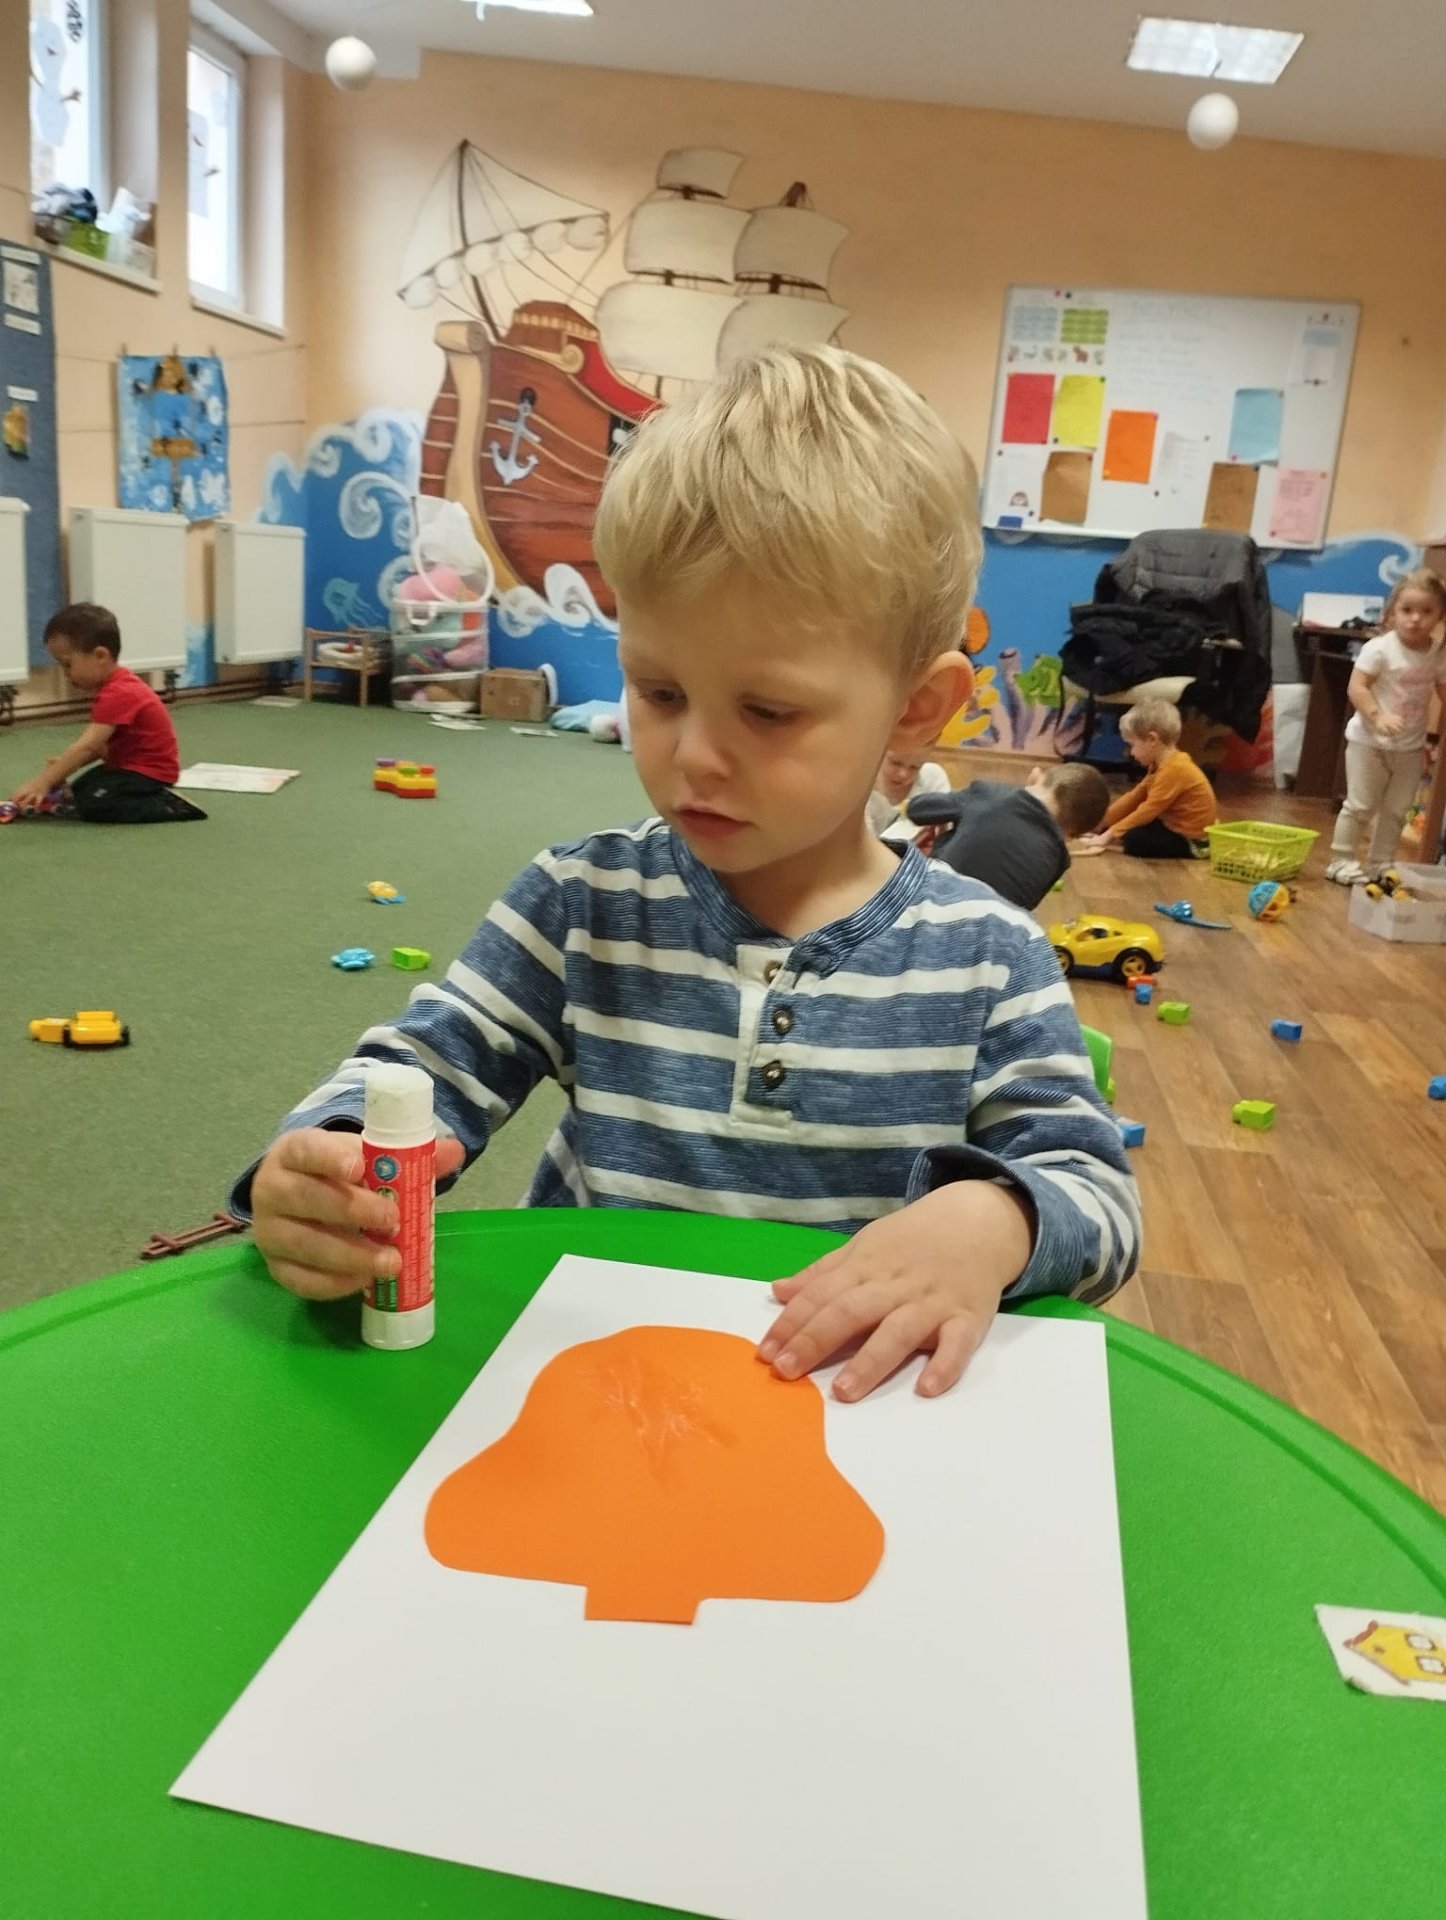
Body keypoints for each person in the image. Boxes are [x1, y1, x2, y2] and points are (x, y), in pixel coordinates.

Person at [238, 345, 1139, 1405]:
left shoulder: (988, 958)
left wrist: (995, 1219)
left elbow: (1097, 1199)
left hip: (842, 1418)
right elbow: (421, 1068)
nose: (695, 756)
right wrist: (333, 1155)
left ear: (914, 710)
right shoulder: (580, 903)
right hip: (593, 1396)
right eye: (659, 692)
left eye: (767, 711)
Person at [7, 604, 206, 823]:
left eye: (68, 665)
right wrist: (63, 768)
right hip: (126, 766)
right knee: (81, 790)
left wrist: (42, 782)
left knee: (95, 803)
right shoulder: (112, 687)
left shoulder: (119, 692)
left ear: (100, 655)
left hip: (148, 773)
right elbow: (99, 748)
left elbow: (87, 746)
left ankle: (168, 805)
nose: (66, 674)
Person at [1325, 567, 1446, 885]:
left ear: (1440, 615)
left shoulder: (1437, 654)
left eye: (1426, 611)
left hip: (1410, 747)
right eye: (1407, 610)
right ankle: (1340, 861)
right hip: (1369, 742)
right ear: (1393, 612)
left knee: (1397, 809)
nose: (1416, 619)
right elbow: (1357, 687)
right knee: (1360, 805)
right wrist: (1378, 717)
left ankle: (1380, 864)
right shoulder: (1379, 648)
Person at [905, 762, 1110, 910]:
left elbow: (917, 810)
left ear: (1036, 776)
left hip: (925, 908)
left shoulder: (989, 793)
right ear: (1071, 837)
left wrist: (946, 833)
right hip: (988, 944)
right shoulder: (1058, 860)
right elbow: (1024, 907)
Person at [1075, 697, 1216, 859]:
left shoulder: (1174, 769)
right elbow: (1135, 797)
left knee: (1135, 839)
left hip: (1192, 841)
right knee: (1129, 826)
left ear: (1152, 739)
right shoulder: (1161, 764)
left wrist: (1108, 836)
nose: (1130, 752)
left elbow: (1148, 810)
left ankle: (1114, 842)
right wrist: (1101, 823)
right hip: (1172, 826)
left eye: (1132, 745)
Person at [866, 746, 950, 843]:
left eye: (915, 767)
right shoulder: (862, 786)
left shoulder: (932, 778)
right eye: (896, 763)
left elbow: (947, 822)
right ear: (879, 755)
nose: (903, 774)